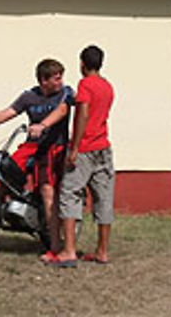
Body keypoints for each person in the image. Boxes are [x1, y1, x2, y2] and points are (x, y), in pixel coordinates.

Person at [0, 58, 75, 254]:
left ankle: (55, 245)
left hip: (55, 147)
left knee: (47, 192)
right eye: (56, 78)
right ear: (43, 80)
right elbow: (7, 113)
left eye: (60, 78)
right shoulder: (29, 96)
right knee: (1, 177)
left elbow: (62, 111)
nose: (60, 82)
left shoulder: (65, 93)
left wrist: (43, 125)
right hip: (31, 146)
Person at [33, 44, 115, 268]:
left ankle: (68, 251)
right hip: (104, 148)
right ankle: (102, 251)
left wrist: (75, 147)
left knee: (69, 194)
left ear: (82, 64)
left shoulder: (85, 84)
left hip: (86, 148)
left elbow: (84, 114)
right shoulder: (107, 86)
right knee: (103, 198)